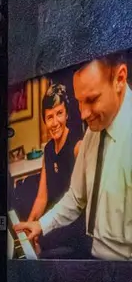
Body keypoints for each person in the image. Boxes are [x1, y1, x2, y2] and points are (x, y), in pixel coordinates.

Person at [16, 54, 132, 260]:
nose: (84, 114)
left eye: (92, 99)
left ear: (120, 79)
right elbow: (76, 197)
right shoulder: (92, 134)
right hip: (94, 263)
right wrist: (40, 225)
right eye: (79, 102)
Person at [25, 83, 85, 257]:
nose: (55, 122)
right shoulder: (48, 149)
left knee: (39, 249)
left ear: (66, 114)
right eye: (49, 117)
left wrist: (39, 230)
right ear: (44, 120)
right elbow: (41, 198)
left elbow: (81, 206)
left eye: (59, 113)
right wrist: (29, 225)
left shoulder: (77, 146)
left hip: (75, 228)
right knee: (33, 240)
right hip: (55, 222)